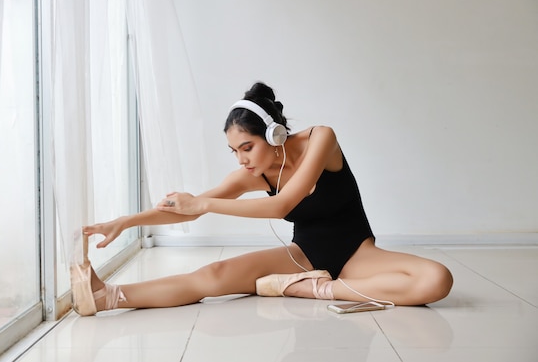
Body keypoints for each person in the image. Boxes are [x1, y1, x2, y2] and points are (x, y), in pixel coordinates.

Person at [71, 82, 453, 316]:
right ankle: (109, 297)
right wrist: (126, 221)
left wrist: (205, 204)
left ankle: (310, 288)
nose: (241, 160)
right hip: (303, 256)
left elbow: (282, 205)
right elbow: (187, 209)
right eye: (234, 151)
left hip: (358, 253)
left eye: (247, 147)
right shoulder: (254, 172)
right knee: (213, 276)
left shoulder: (322, 138)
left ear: (274, 135)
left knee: (437, 279)